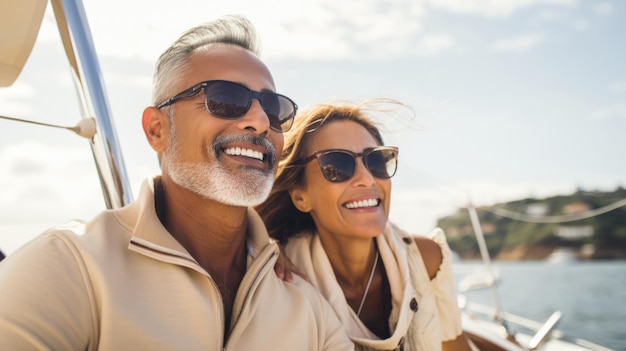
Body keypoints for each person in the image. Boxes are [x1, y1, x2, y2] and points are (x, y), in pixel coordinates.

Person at [0, 16, 353, 350]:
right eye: (225, 99)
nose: (261, 122)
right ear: (157, 130)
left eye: (274, 109)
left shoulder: (308, 309)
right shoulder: (68, 267)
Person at [257, 100, 473, 350]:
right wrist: (263, 245)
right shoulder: (282, 279)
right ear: (300, 197)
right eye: (337, 165)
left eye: (377, 161)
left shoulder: (425, 260)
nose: (367, 179)